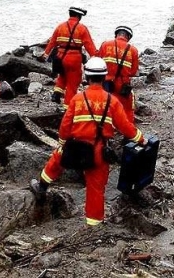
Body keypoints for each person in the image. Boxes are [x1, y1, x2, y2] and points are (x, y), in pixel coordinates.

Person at [30, 58, 148, 227]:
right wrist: (141, 139)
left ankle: (42, 186)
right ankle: (94, 224)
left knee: (58, 157)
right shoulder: (112, 101)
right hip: (97, 151)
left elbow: (65, 124)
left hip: (75, 146)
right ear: (104, 76)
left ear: (87, 76)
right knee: (96, 189)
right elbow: (125, 127)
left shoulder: (78, 99)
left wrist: (63, 142)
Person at [41, 6, 97, 110]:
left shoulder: (60, 26)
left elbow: (52, 41)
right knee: (73, 82)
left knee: (62, 75)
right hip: (74, 58)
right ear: (78, 16)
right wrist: (96, 57)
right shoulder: (82, 28)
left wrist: (45, 54)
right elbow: (89, 44)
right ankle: (68, 107)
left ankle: (57, 92)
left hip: (60, 56)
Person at [97, 26, 139, 123]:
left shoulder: (105, 45)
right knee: (128, 108)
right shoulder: (133, 50)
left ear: (116, 34)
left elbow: (98, 62)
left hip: (105, 83)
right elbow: (133, 72)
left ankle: (104, 128)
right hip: (123, 84)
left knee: (104, 106)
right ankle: (128, 133)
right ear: (128, 37)